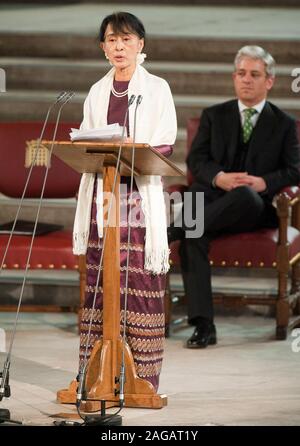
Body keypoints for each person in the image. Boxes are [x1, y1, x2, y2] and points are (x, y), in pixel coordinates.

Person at [73, 12, 177, 391]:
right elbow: (86, 141)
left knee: (138, 278)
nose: (119, 46)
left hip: (137, 196)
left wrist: (135, 148)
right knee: (102, 281)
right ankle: (96, 374)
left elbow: (166, 141)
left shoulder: (157, 88)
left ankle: (141, 380)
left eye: (127, 39)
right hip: (103, 193)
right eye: (112, 40)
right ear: (103, 47)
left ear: (141, 44)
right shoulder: (97, 91)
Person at [173, 45, 300, 349]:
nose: (246, 80)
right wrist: (220, 177)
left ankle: (171, 232)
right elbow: (196, 162)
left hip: (252, 207)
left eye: (254, 74)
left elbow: (295, 170)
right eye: (241, 73)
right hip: (208, 195)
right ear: (233, 77)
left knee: (241, 197)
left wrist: (263, 182)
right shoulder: (214, 115)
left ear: (269, 81)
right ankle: (204, 326)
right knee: (194, 230)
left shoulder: (283, 124)